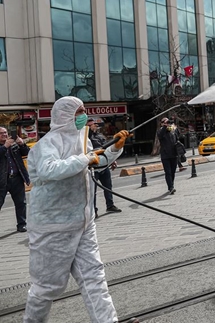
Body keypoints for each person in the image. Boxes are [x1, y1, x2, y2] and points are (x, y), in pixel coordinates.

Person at [23, 96, 137, 323]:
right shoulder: (48, 144)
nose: (84, 115)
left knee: (94, 278)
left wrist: (114, 150)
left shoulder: (82, 139)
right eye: (80, 111)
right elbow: (49, 170)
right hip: (53, 228)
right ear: (65, 115)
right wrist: (85, 158)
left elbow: (94, 162)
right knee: (46, 287)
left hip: (84, 222)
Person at [87, 118, 122, 217]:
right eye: (89, 126)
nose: (91, 127)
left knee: (108, 186)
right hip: (93, 167)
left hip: (103, 165)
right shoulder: (85, 137)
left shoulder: (100, 136)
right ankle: (94, 210)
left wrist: (112, 160)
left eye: (92, 125)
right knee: (92, 191)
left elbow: (106, 149)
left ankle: (110, 205)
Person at [0, 128, 30, 232]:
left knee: (21, 203)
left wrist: (22, 144)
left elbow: (27, 153)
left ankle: (22, 224)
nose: (4, 135)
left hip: (17, 178)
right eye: (1, 133)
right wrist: (4, 147)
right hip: (2, 181)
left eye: (5, 133)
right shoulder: (4, 146)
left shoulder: (14, 145)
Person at [157, 117, 178, 194]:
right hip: (165, 155)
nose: (166, 123)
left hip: (173, 154)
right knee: (168, 172)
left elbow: (177, 138)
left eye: (167, 121)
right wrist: (165, 126)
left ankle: (171, 185)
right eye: (163, 122)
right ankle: (171, 187)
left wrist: (174, 125)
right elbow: (160, 135)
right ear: (161, 123)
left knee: (173, 172)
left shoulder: (172, 130)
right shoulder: (160, 130)